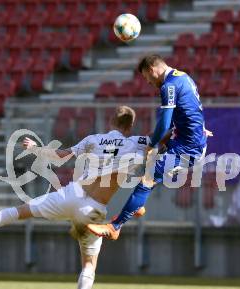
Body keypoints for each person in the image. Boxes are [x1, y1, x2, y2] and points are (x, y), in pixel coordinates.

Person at [0, 106, 150, 289]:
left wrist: (36, 148)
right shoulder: (139, 142)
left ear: (110, 121)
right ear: (130, 125)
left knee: (19, 211)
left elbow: (60, 156)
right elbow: (162, 143)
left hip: (72, 194)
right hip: (94, 208)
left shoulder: (94, 138)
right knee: (89, 265)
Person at [87, 54, 209, 240]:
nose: (149, 83)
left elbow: (166, 122)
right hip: (184, 139)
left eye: (147, 78)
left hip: (188, 149)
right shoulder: (183, 77)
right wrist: (198, 128)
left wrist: (152, 145)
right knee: (142, 153)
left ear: (152, 70)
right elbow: (192, 108)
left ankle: (115, 226)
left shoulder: (168, 86)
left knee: (147, 178)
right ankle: (137, 204)